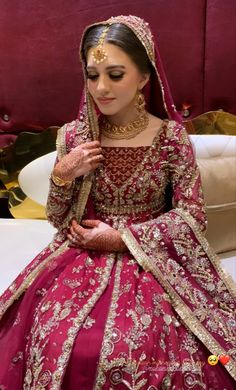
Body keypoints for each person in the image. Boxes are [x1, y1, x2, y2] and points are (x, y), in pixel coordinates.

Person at [0, 15, 235, 390]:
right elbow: (60, 221)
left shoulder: (171, 138)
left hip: (151, 260)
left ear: (144, 77)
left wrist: (121, 239)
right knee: (56, 335)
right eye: (92, 75)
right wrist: (63, 173)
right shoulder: (76, 136)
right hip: (80, 255)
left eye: (115, 74)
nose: (101, 88)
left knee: (138, 345)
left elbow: (191, 218)